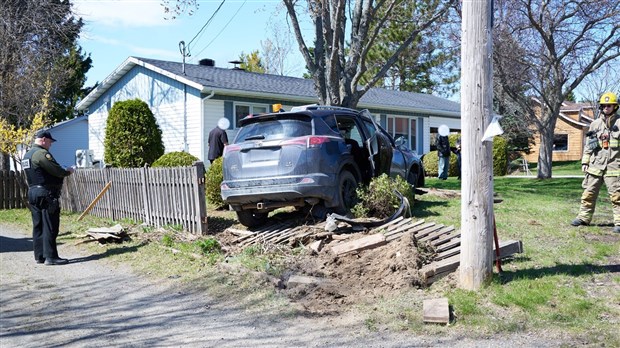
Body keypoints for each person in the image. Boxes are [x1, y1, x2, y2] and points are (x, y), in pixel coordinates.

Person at [22, 129, 75, 265]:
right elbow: (55, 170)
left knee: (38, 225)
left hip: (33, 192)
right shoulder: (41, 153)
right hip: (46, 193)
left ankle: (40, 256)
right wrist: (67, 171)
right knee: (50, 225)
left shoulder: (27, 155)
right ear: (44, 139)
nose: (50, 145)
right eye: (50, 142)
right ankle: (51, 257)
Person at [571, 92, 620, 234]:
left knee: (617, 196)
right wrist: (585, 162)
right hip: (595, 166)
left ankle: (619, 222)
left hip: (614, 166)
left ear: (615, 106)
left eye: (609, 105)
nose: (606, 107)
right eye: (603, 105)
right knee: (588, 193)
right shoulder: (595, 125)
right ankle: (583, 218)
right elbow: (589, 145)